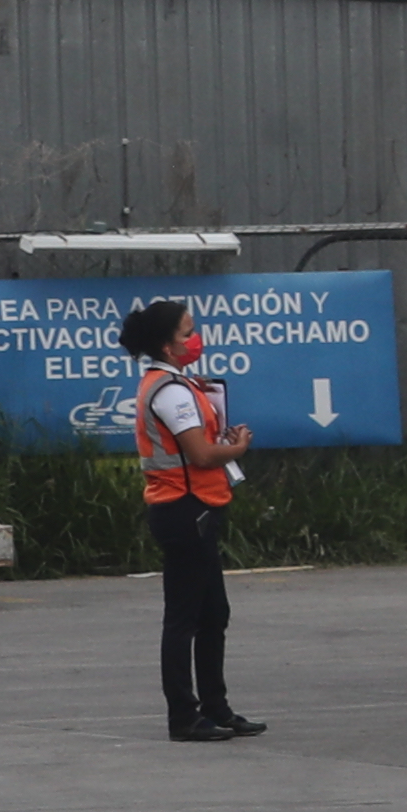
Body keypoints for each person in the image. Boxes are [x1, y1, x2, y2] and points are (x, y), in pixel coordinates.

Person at [122, 301, 263, 742]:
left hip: (194, 506)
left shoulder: (176, 384)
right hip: (184, 508)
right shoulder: (171, 391)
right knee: (184, 618)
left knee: (213, 613)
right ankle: (184, 716)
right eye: (187, 333)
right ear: (167, 345)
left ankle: (216, 707)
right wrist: (236, 449)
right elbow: (200, 454)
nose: (195, 339)